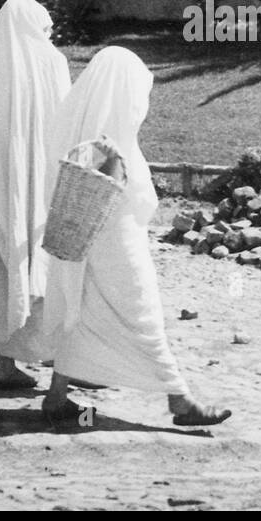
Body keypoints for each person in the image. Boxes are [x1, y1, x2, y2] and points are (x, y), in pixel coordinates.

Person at [40, 46, 231, 428]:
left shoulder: (84, 124)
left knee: (88, 309)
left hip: (89, 242)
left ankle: (56, 396)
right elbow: (119, 189)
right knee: (142, 313)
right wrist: (114, 160)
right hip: (114, 241)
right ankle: (180, 399)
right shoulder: (108, 140)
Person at [0, 0, 70, 389]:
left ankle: (6, 364)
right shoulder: (52, 62)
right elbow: (65, 117)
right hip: (41, 175)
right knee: (39, 258)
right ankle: (62, 361)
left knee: (9, 258)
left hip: (3, 180)